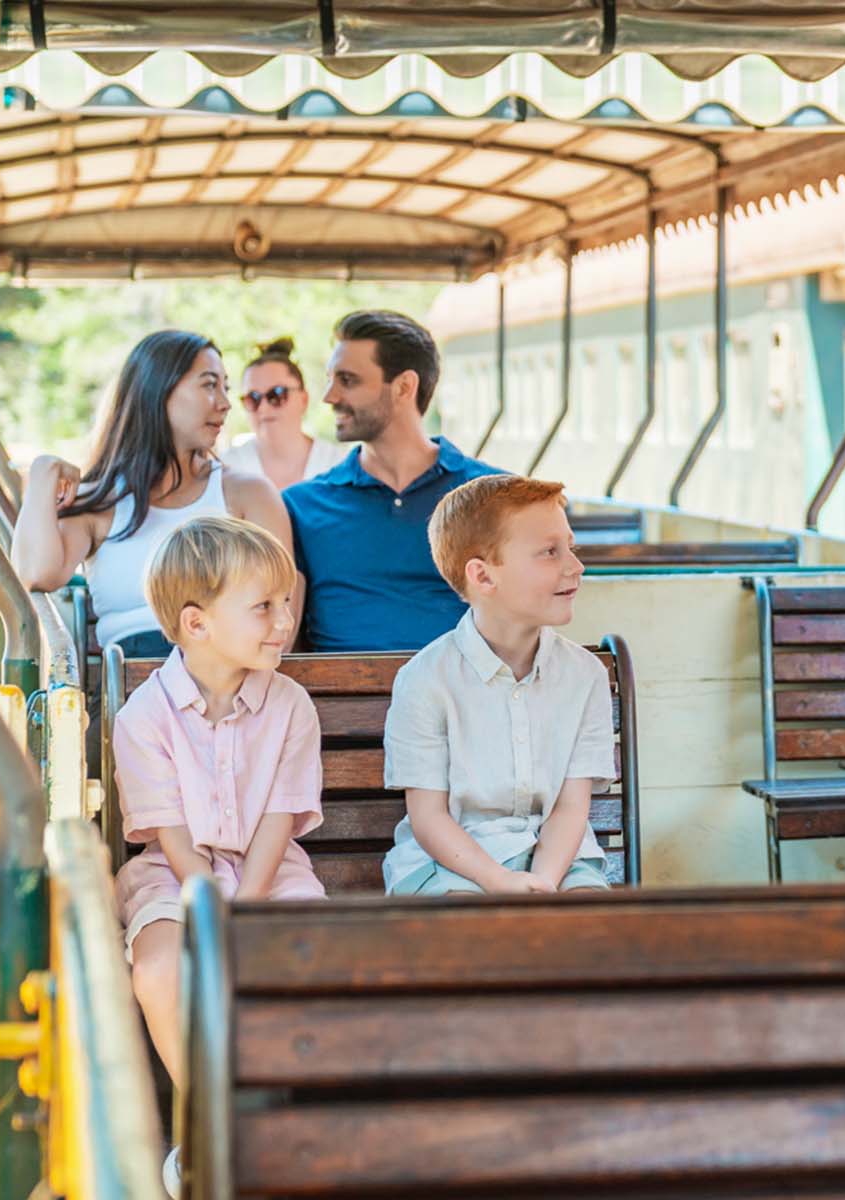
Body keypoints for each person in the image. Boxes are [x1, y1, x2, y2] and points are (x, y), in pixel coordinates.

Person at [110, 515, 325, 1195]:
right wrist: (209, 904)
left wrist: (248, 903)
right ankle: (207, 1123)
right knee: (162, 972)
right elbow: (170, 833)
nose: (283, 621)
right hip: (174, 873)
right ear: (197, 624)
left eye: (285, 602)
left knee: (308, 963)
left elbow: (278, 817)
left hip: (270, 870)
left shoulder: (290, 704)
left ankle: (286, 1122)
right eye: (263, 606)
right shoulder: (143, 717)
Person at [381, 474, 614, 896]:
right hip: (450, 865)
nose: (575, 566)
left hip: (558, 858)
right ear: (484, 577)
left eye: (571, 547)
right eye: (549, 552)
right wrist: (499, 881)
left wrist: (542, 883)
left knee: (592, 926)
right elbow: (429, 817)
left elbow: (570, 807)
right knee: (473, 931)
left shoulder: (586, 676)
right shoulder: (424, 680)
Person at [11, 330, 294, 659]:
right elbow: (35, 574)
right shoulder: (102, 503)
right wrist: (43, 474)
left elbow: (281, 620)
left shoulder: (248, 494)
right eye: (208, 384)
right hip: (129, 694)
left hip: (227, 690)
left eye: (225, 388)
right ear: (158, 390)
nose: (225, 403)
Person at [283, 310, 502, 652]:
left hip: (468, 700)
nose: (329, 396)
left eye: (348, 380)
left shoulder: (496, 495)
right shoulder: (300, 507)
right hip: (338, 702)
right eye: (330, 379)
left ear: (403, 387)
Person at [223, 337, 349, 490]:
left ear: (304, 399)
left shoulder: (338, 466)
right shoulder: (227, 469)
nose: (263, 408)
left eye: (276, 395)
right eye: (253, 398)